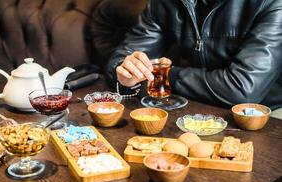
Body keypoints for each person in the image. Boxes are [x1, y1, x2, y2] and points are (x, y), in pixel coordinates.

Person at [104, 0, 282, 117]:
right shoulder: (164, 3)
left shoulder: (272, 3)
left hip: (265, 112)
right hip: (199, 104)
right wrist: (125, 71)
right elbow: (124, 57)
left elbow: (243, 89)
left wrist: (167, 75)